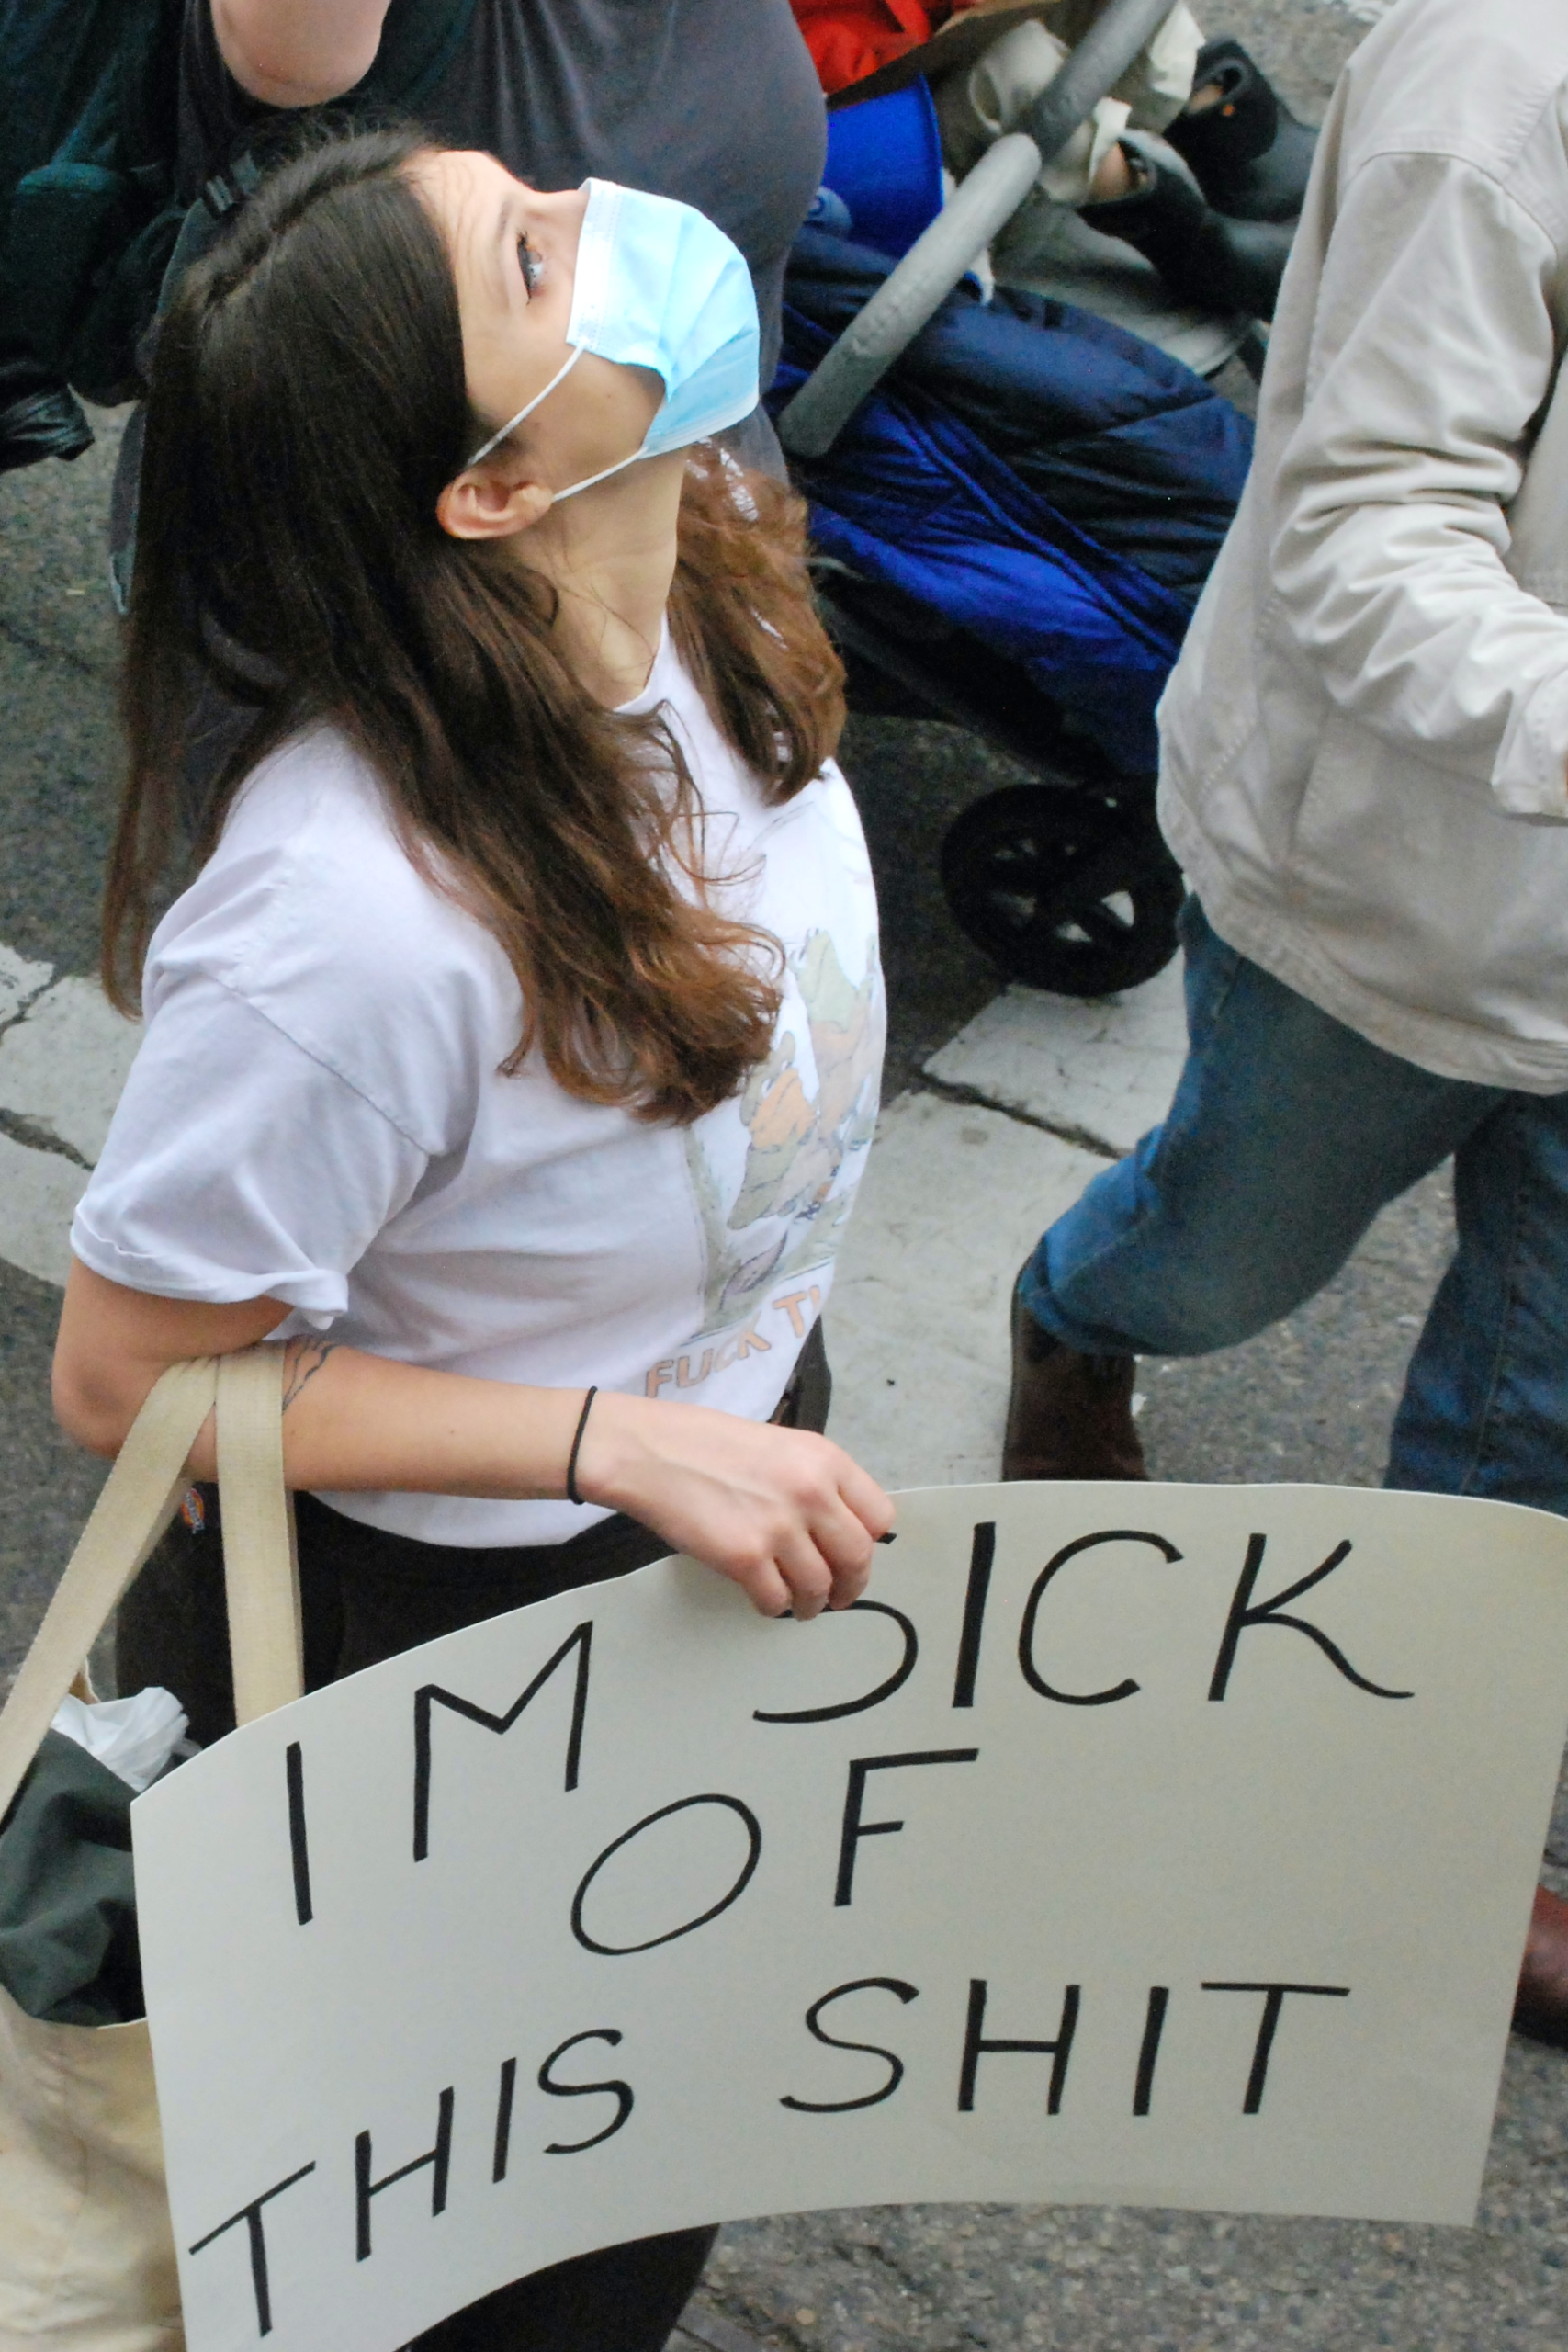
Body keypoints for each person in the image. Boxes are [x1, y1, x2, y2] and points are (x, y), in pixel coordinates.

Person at [52, 126, 892, 2352]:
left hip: (697, 1485)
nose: (603, 217)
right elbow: (128, 1376)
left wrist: (707, 1415)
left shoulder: (702, 548)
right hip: (442, 1617)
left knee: (662, 2109)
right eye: (535, 254)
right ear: (492, 489)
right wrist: (621, 1439)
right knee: (485, 2232)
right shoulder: (343, 923)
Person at [1001, 0, 1568, 2048]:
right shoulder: (1504, 82)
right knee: (1226, 1249)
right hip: (1392, 893)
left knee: (1545, 1402)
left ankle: (1439, 1813)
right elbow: (1361, 533)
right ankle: (1078, 1308)